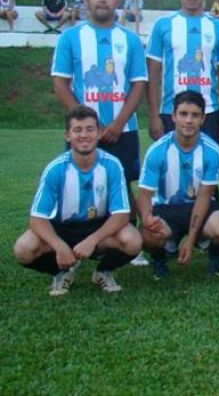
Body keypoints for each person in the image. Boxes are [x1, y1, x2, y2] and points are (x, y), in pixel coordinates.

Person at [51, 0, 148, 266]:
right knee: (77, 184)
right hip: (85, 133)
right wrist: (85, 125)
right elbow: (60, 83)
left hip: (124, 128)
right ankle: (75, 242)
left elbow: (138, 85)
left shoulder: (129, 40)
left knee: (124, 186)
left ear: (116, 1)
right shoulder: (70, 37)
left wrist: (118, 123)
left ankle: (131, 246)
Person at [13, 106, 143, 296]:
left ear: (99, 133)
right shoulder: (55, 169)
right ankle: (61, 273)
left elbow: (122, 215)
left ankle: (103, 271)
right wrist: (59, 246)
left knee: (132, 240)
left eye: (90, 129)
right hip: (63, 228)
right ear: (67, 135)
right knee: (23, 248)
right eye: (77, 130)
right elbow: (37, 218)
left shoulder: (112, 165)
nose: (84, 135)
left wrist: (92, 240)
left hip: (98, 227)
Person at [137, 91, 219, 279]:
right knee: (148, 234)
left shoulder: (212, 151)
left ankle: (215, 254)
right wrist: (149, 219)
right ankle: (160, 257)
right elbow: (144, 196)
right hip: (166, 208)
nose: (189, 120)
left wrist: (190, 241)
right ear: (173, 116)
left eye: (195, 115)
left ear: (203, 118)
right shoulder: (157, 150)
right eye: (183, 114)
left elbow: (205, 197)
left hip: (199, 206)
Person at [146, 0, 219, 146]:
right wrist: (153, 115)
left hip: (209, 112)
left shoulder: (218, 27)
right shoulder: (162, 25)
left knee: (208, 169)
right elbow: (152, 74)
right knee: (171, 170)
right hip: (172, 112)